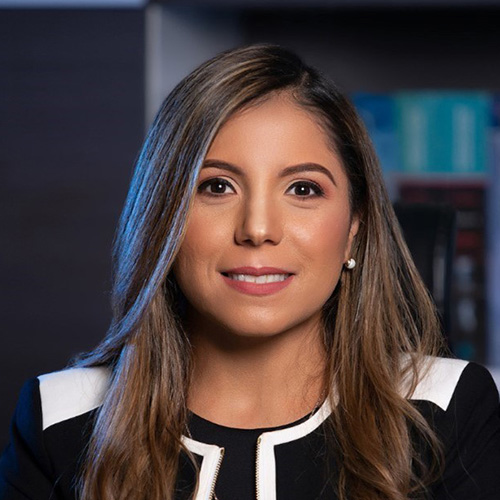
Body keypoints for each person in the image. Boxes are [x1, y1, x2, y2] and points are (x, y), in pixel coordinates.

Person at [1, 44, 499, 500]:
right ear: (163, 219)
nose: (258, 229)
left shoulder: (446, 410)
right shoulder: (59, 421)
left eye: (303, 189)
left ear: (354, 227)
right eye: (217, 187)